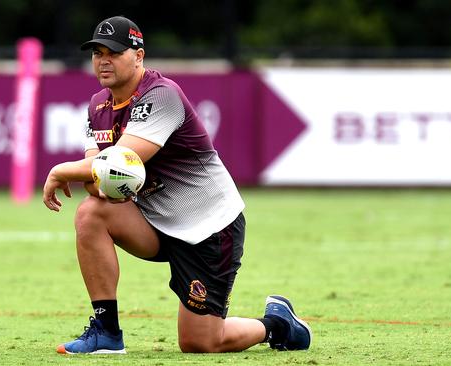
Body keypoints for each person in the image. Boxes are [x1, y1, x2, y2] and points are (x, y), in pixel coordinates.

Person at [42, 15, 312, 354]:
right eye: (97, 52)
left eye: (113, 51)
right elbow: (98, 184)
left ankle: (278, 325)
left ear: (138, 56)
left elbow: (118, 161)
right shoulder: (98, 105)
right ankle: (106, 332)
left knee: (200, 342)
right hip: (157, 224)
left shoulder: (162, 95)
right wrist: (92, 178)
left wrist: (61, 170)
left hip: (210, 229)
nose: (103, 60)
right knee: (91, 212)